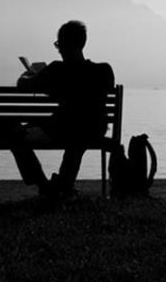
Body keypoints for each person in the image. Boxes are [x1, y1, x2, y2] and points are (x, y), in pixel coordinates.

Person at [8, 20, 114, 197]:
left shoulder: (56, 70)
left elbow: (24, 86)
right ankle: (63, 184)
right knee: (79, 136)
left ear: (64, 44)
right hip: (94, 129)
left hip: (63, 129)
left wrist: (27, 75)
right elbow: (86, 92)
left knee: (13, 136)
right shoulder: (104, 70)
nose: (58, 49)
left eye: (58, 44)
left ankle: (44, 186)